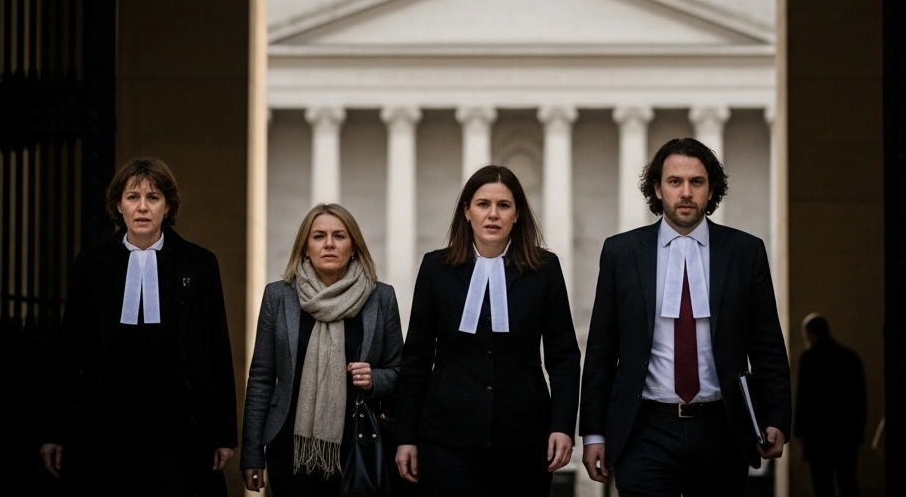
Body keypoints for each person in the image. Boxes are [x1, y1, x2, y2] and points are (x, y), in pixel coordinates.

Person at [580, 137, 792, 497]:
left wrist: (776, 418)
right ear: (658, 190)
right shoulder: (621, 253)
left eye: (697, 182)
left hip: (722, 428)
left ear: (711, 191)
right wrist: (594, 433)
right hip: (644, 429)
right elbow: (601, 349)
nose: (686, 192)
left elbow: (767, 344)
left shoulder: (744, 252)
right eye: (674, 182)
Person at [40, 156, 237, 495]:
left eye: (153, 197)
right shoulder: (90, 265)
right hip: (106, 426)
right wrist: (54, 431)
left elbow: (217, 349)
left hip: (176, 429)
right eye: (133, 197)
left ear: (168, 206)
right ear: (118, 205)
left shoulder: (200, 264)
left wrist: (224, 434)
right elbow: (68, 353)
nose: (142, 208)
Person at [393, 165, 581, 496]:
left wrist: (562, 427)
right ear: (467, 211)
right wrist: (406, 435)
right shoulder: (436, 268)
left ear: (517, 213)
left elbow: (563, 355)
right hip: (446, 439)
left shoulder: (544, 269)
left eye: (503, 205)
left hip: (524, 438)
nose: (492, 215)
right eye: (482, 204)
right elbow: (416, 358)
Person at [239, 203, 404, 495]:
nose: (329, 244)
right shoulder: (278, 297)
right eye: (318, 236)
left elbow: (400, 371)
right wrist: (251, 452)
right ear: (305, 247)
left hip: (359, 445)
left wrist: (374, 380)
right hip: (289, 448)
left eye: (339, 236)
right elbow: (262, 377)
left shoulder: (381, 298)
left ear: (354, 246)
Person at [794, 313, 867, 497]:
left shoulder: (809, 358)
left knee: (822, 487)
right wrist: (858, 430)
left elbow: (803, 397)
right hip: (846, 433)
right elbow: (860, 398)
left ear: (810, 334)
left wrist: (798, 430)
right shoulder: (850, 357)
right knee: (848, 483)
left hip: (818, 435)